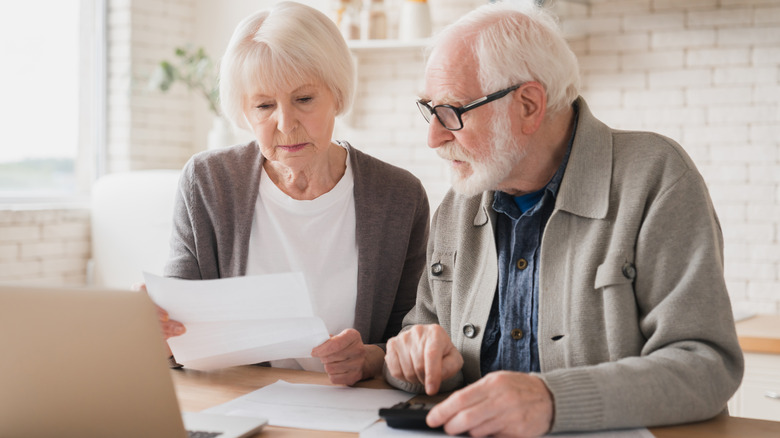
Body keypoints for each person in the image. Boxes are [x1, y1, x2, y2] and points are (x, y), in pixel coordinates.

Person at [383, 2, 744, 436]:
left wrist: (552, 401)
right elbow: (419, 337)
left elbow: (707, 366)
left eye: (452, 112)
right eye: (430, 109)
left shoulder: (656, 177)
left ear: (529, 105)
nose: (433, 137)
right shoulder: (458, 203)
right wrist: (413, 358)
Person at [155, 1, 429, 386]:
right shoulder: (207, 182)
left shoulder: (399, 197)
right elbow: (177, 332)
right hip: (237, 403)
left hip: (351, 406)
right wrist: (157, 329)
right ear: (244, 112)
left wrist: (370, 358)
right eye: (265, 105)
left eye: (304, 99)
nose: (285, 124)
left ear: (336, 93)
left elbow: (415, 332)